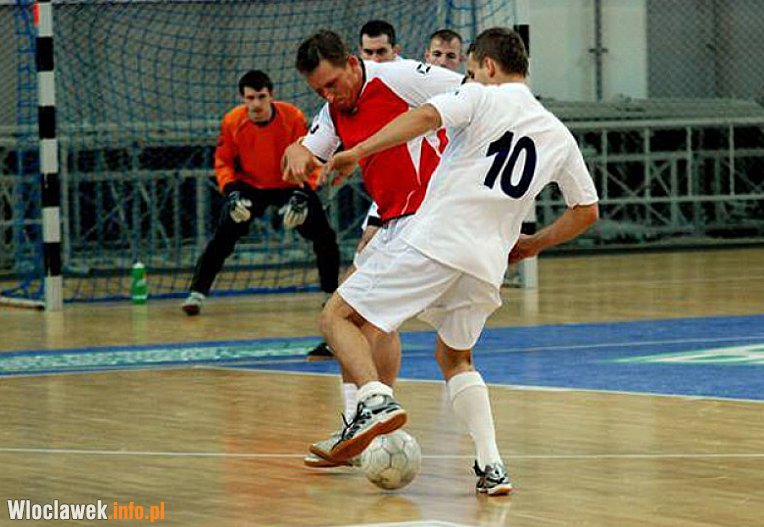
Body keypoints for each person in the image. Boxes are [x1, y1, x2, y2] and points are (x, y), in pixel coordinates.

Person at [315, 27, 600, 496]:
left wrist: (359, 151)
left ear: (488, 66)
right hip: (487, 264)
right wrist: (532, 244)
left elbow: (426, 115)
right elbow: (586, 211)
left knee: (337, 316)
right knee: (455, 357)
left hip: (437, 241)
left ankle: (375, 401)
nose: (467, 78)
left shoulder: (481, 96)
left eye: (469, 70)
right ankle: (492, 466)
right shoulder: (557, 133)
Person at [282, 30, 463, 468]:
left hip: (429, 216)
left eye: (332, 83)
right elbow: (312, 149)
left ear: (351, 63)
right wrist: (295, 149)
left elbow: (474, 94)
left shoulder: (401, 77)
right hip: (391, 219)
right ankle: (359, 422)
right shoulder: (334, 109)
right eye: (319, 91)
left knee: (346, 316)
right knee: (357, 321)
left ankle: (375, 407)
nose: (329, 95)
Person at [182, 70, 340, 334]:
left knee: (324, 236)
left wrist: (304, 192)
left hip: (291, 184)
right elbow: (223, 162)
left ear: (271, 96)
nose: (256, 104)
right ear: (243, 98)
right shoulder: (233, 121)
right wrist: (231, 192)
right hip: (250, 187)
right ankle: (196, 293)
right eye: (250, 98)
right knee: (222, 238)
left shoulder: (292, 117)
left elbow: (311, 155)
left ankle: (330, 292)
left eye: (261, 97)